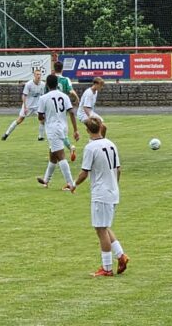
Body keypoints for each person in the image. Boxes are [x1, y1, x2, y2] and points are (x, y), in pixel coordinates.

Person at [71, 117, 129, 277]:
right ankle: (121, 256)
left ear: (88, 130)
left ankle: (107, 268)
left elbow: (84, 172)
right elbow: (119, 169)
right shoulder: (111, 144)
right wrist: (114, 185)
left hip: (101, 193)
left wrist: (74, 184)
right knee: (104, 226)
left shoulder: (91, 148)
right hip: (113, 191)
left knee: (101, 229)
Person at [36, 74, 79, 190]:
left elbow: (40, 116)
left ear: (47, 85)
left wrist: (44, 118)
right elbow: (71, 112)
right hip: (63, 127)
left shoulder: (43, 98)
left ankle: (70, 184)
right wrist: (75, 130)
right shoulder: (64, 96)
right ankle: (46, 180)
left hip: (52, 129)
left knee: (60, 156)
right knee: (53, 154)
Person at [1, 69, 45, 141]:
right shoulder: (29, 84)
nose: (39, 76)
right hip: (28, 106)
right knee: (20, 120)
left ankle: (41, 137)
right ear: (34, 75)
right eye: (37, 74)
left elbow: (42, 96)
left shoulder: (43, 84)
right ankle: (6, 134)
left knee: (42, 119)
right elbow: (24, 96)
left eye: (40, 74)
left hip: (37, 106)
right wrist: (25, 107)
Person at [53, 60, 80, 161]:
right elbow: (71, 91)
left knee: (56, 133)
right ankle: (65, 149)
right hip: (63, 108)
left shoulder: (51, 79)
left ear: (53, 69)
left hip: (52, 109)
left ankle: (68, 148)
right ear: (62, 69)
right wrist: (77, 98)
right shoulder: (66, 79)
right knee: (60, 132)